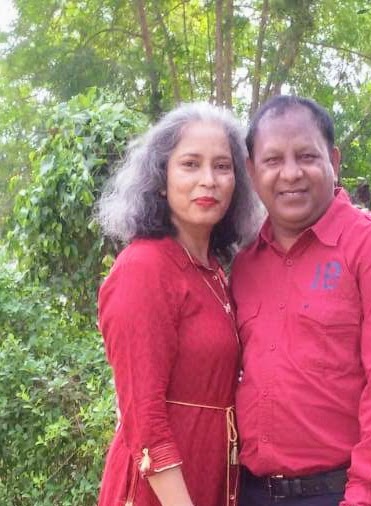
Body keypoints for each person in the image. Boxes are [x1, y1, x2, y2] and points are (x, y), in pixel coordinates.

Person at [230, 95, 371, 506]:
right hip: (247, 491)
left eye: (306, 156)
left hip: (337, 492)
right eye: (273, 160)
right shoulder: (245, 263)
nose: (290, 173)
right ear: (251, 172)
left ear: (333, 161)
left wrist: (366, 496)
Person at [96, 102, 258, 506]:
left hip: (212, 478)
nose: (209, 180)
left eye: (222, 166)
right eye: (190, 164)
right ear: (161, 179)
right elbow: (144, 417)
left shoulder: (214, 272)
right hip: (161, 492)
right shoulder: (143, 268)